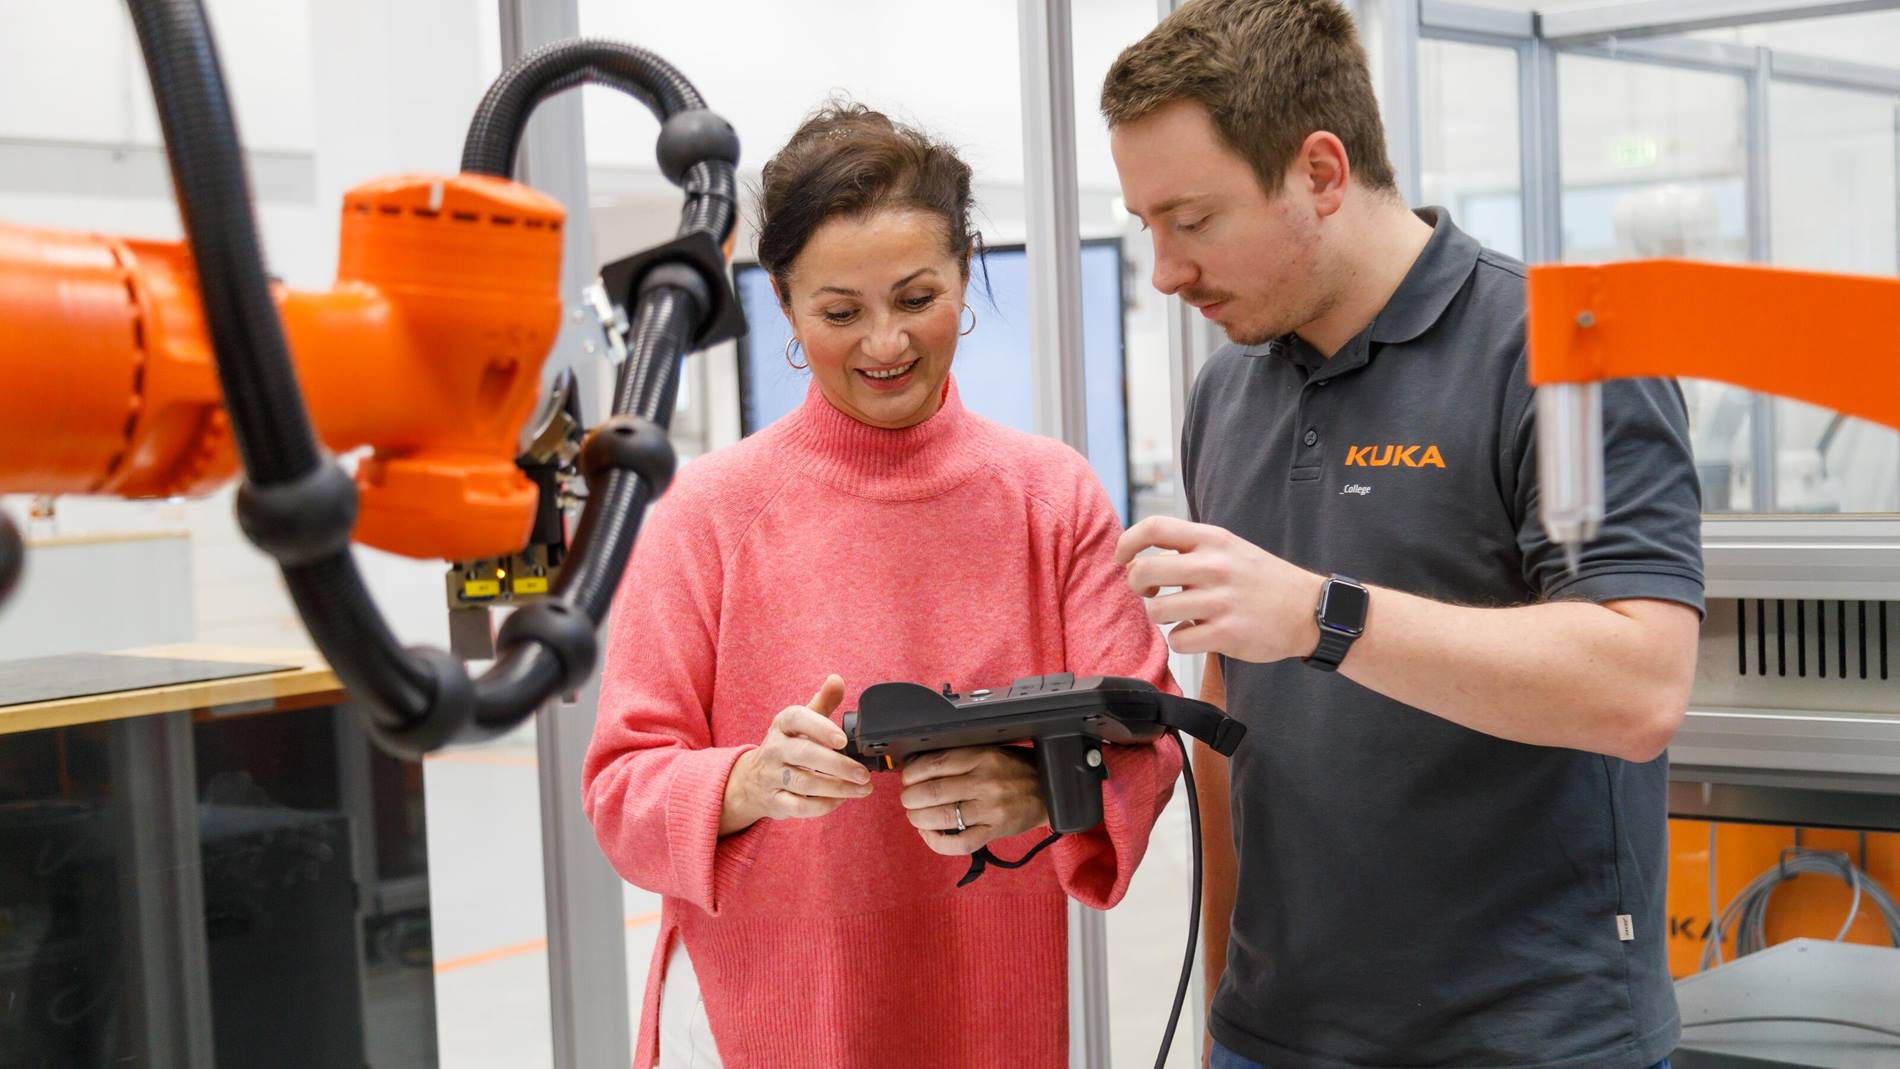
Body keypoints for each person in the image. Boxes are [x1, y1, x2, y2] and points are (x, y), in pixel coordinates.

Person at [1099, 2, 1704, 1068]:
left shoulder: (1564, 354)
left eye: (1191, 221)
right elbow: (1232, 719)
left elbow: (1639, 686)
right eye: (1145, 223)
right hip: (1272, 1036)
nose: (1164, 271)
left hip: (1530, 1041)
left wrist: (1321, 615)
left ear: (1321, 173)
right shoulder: (1226, 391)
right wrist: (1221, 1012)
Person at [582, 103, 1182, 1069]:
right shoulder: (706, 513)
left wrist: (1039, 789)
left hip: (988, 1005)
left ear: (965, 272)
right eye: (840, 313)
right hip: (766, 1018)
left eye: (915, 297)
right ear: (784, 304)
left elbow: (1149, 737)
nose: (885, 342)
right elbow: (622, 790)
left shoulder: (1050, 497)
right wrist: (747, 781)